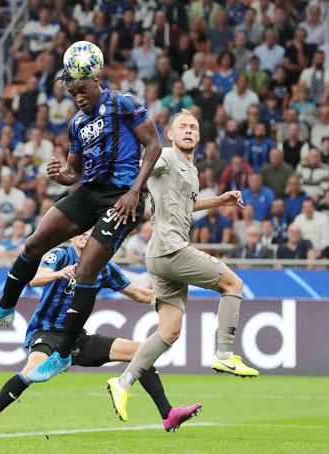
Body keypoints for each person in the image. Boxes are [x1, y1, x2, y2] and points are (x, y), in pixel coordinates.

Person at [0, 64, 162, 382]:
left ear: (97, 81)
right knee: (35, 241)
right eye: (72, 93)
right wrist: (59, 173)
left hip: (122, 197)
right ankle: (6, 306)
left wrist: (135, 192)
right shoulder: (78, 124)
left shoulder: (124, 104)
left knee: (85, 271)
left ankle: (63, 352)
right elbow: (74, 173)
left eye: (82, 90)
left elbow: (154, 145)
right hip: (89, 193)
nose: (78, 97)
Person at [106, 110, 258, 423]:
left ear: (199, 137)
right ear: (171, 134)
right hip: (170, 250)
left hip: (160, 257)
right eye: (182, 127)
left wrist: (220, 200)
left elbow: (187, 205)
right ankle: (225, 354)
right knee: (233, 285)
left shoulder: (191, 170)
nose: (188, 131)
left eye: (193, 127)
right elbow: (143, 167)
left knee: (169, 331)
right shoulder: (163, 156)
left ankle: (122, 383)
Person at [0, 230, 201, 434]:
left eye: (91, 231)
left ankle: (168, 415)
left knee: (141, 352)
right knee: (32, 369)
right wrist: (58, 274)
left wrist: (172, 298)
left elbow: (140, 295)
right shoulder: (60, 255)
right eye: (81, 230)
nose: (85, 234)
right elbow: (34, 278)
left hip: (76, 337)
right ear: (72, 234)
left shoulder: (104, 266)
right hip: (47, 331)